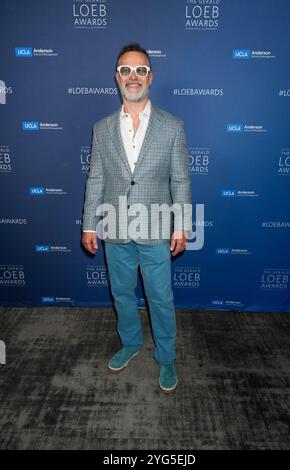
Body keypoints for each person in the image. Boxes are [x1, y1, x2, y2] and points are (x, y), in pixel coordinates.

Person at [82, 42, 192, 394]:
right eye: (126, 70)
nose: (133, 76)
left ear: (150, 77)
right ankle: (130, 343)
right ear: (117, 77)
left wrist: (182, 224)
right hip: (114, 227)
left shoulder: (172, 127)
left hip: (157, 227)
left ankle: (166, 356)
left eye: (140, 70)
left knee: (161, 297)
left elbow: (181, 179)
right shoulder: (101, 129)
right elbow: (96, 178)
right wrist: (88, 223)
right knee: (121, 293)